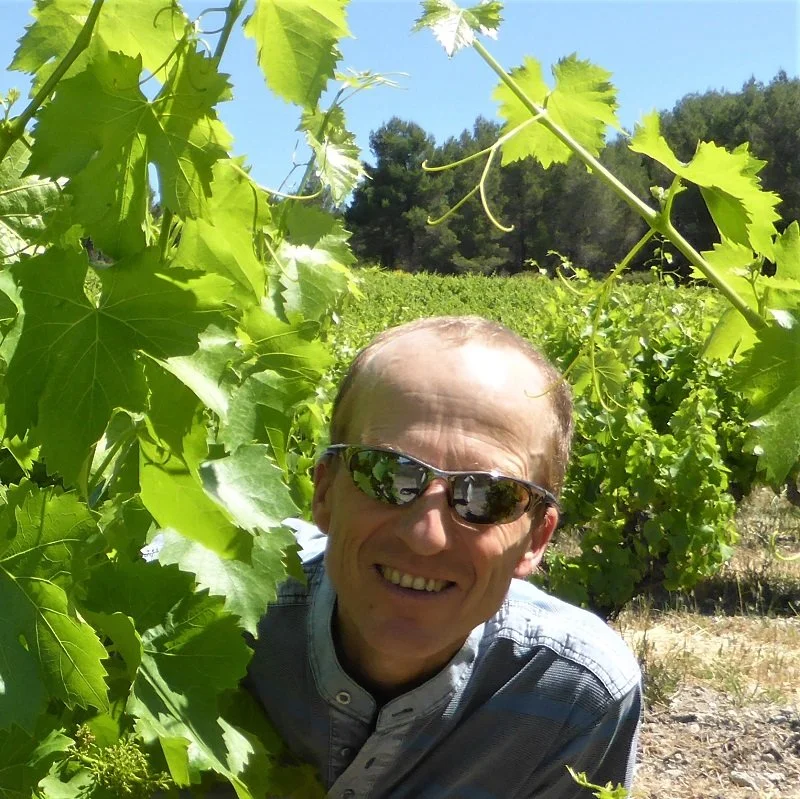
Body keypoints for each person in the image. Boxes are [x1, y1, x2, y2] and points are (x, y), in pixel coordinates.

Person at [245, 316, 642, 798]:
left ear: (536, 538)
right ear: (325, 493)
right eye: (387, 475)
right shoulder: (212, 608)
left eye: (488, 496)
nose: (425, 536)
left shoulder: (578, 695)